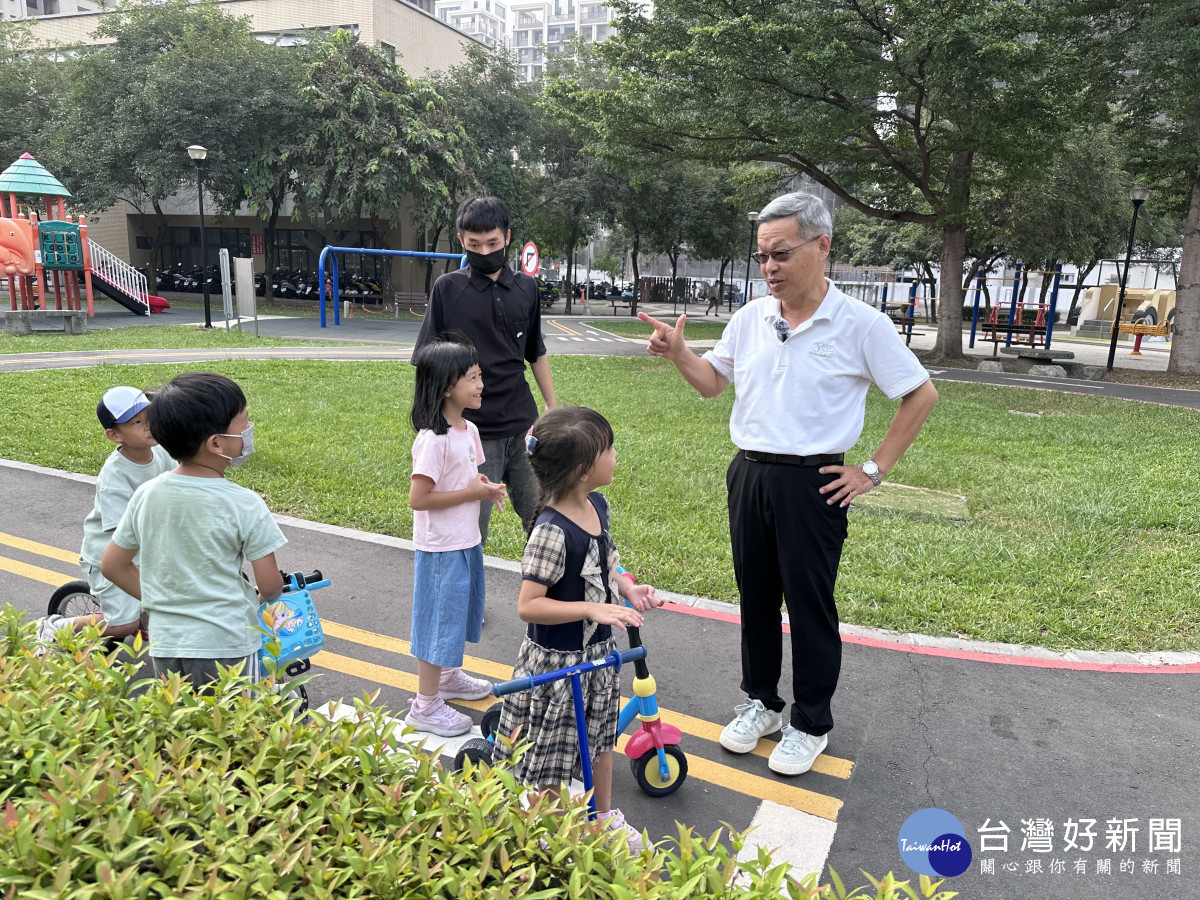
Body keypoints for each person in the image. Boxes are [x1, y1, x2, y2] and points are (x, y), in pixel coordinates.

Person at [638, 192, 937, 777]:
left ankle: (810, 723)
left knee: (809, 605)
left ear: (822, 247)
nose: (770, 266)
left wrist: (873, 469)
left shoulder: (860, 324)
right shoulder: (751, 318)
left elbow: (919, 393)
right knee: (755, 598)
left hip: (815, 482)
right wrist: (679, 352)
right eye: (762, 256)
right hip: (750, 472)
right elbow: (712, 383)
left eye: (781, 253)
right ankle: (762, 703)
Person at [493, 406, 662, 853]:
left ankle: (602, 817)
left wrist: (627, 587)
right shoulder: (551, 530)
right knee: (550, 754)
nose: (615, 455)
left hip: (597, 659)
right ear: (583, 469)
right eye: (608, 449)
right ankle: (545, 829)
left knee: (603, 738)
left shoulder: (596, 505)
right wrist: (594, 608)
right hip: (558, 664)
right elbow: (529, 605)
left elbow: (606, 560)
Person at [100, 372, 288, 687]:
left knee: (185, 727)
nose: (248, 431)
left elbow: (112, 565)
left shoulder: (146, 494)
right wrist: (267, 595)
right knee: (236, 731)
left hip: (167, 643)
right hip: (228, 646)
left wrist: (160, 601)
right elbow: (269, 585)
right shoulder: (244, 504)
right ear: (216, 443)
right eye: (243, 425)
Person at [413, 196, 556, 544]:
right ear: (461, 241)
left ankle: (548, 596)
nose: (484, 250)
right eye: (474, 244)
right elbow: (427, 358)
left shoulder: (526, 288)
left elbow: (535, 351)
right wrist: (435, 417)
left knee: (545, 523)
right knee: (468, 532)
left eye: (492, 243)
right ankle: (465, 597)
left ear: (507, 237)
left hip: (523, 424)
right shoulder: (448, 288)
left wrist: (554, 408)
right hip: (472, 433)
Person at [405, 336, 508, 736]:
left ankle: (447, 677)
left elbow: (470, 477)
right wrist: (473, 492)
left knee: (457, 616)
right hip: (441, 549)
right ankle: (425, 706)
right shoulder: (434, 440)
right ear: (448, 386)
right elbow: (419, 498)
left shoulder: (469, 430)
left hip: (465, 541)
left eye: (480, 376)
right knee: (437, 624)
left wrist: (486, 486)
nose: (481, 384)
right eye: (472, 377)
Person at [36, 386, 175, 648]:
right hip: (109, 555)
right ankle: (57, 626)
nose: (148, 426)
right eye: (136, 422)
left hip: (145, 549)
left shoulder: (161, 453)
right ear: (114, 435)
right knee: (124, 624)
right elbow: (121, 530)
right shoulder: (115, 476)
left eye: (150, 417)